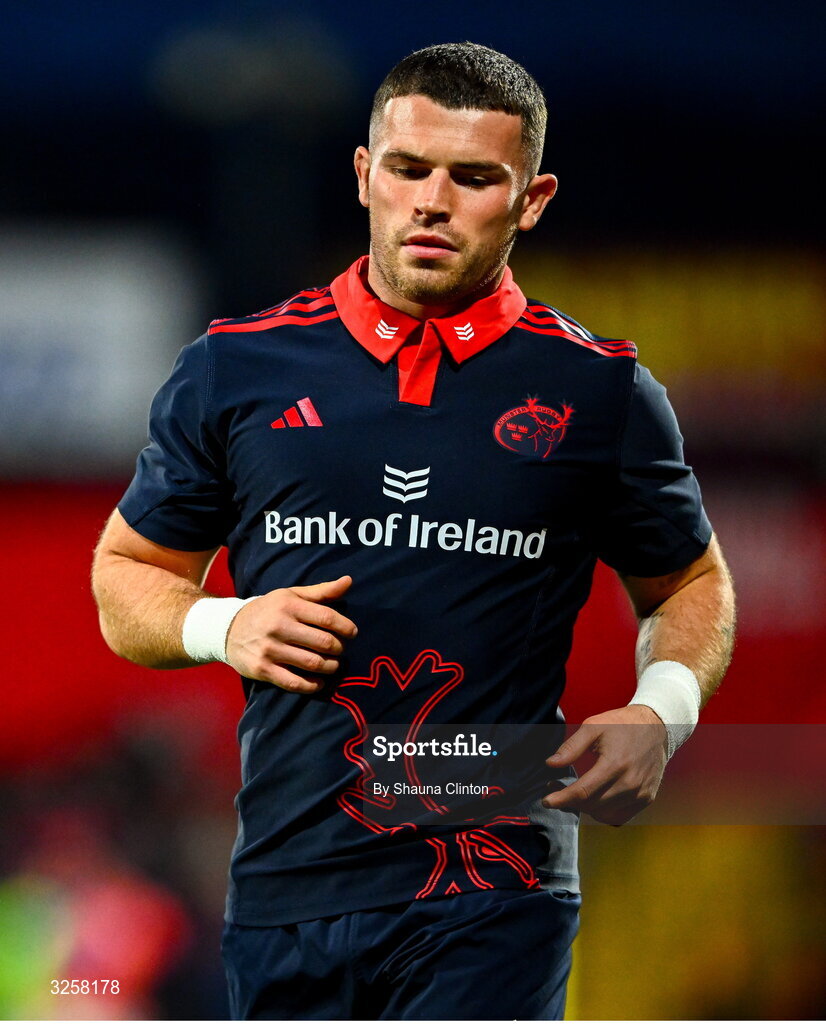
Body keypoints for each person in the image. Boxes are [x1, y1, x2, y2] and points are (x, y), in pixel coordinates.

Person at [92, 42, 735, 1021]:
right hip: (286, 888)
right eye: (408, 168)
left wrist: (663, 709)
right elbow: (126, 576)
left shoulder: (598, 390)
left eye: (473, 178)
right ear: (364, 175)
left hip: (494, 879)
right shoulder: (236, 368)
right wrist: (223, 624)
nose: (432, 201)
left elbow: (692, 582)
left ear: (531, 200)